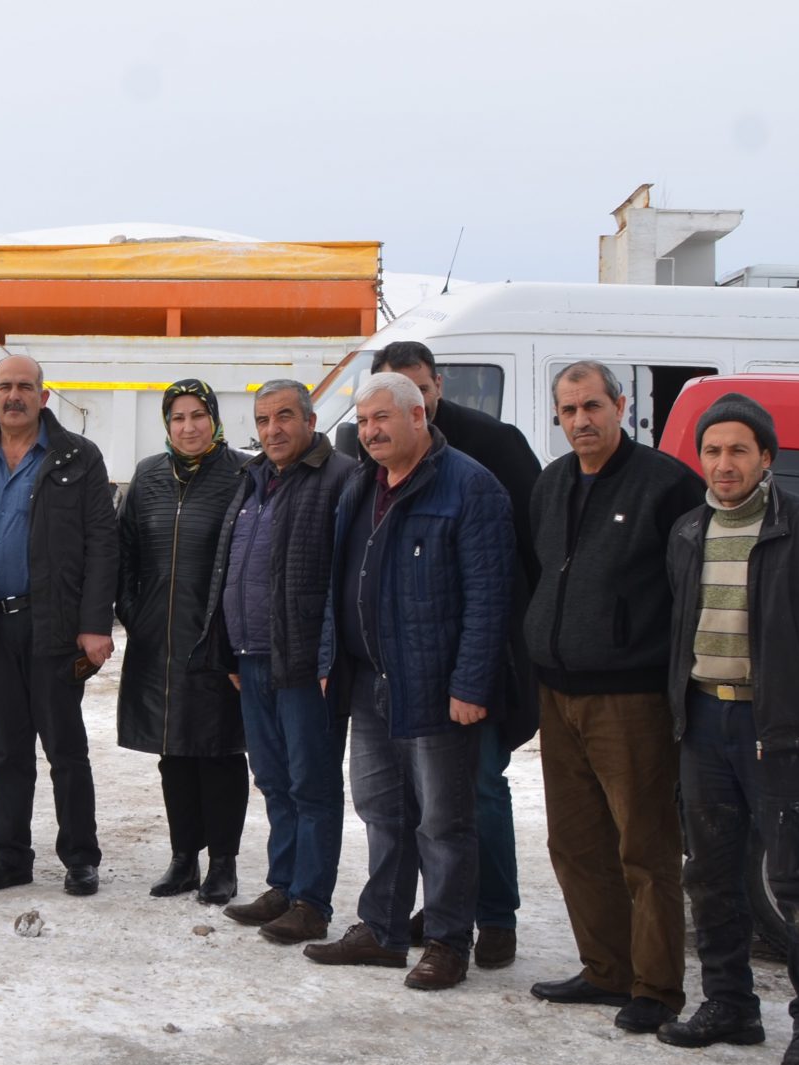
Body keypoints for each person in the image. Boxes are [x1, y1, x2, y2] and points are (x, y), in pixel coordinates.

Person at [659, 392, 799, 1065]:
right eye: (714, 451)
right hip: (704, 725)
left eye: (739, 451)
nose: (725, 464)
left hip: (780, 735)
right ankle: (730, 1005)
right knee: (711, 878)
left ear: (766, 458)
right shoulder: (689, 532)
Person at [307, 372, 516, 990]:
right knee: (381, 812)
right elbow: (334, 581)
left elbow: (489, 598)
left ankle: (449, 941)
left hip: (434, 688)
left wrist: (472, 685)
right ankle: (383, 929)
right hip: (368, 682)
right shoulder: (360, 487)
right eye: (363, 421)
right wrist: (329, 659)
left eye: (382, 419)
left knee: (443, 823)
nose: (369, 432)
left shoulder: (469, 488)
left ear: (419, 417)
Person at [524, 361, 705, 1034]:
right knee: (575, 842)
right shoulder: (552, 484)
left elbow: (689, 592)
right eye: (568, 410)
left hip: (631, 698)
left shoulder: (665, 485)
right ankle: (606, 969)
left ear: (621, 404)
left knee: (644, 845)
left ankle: (656, 987)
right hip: (559, 693)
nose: (581, 421)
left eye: (592, 406)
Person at [372, 340, 540, 969]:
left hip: (483, 653)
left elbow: (529, 552)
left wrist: (512, 649)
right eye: (389, 394)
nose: (404, 404)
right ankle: (446, 906)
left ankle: (496, 916)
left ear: (436, 386)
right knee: (416, 798)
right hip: (405, 661)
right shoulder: (370, 452)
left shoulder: (492, 446)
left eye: (417, 389)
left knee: (480, 789)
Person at [0, 355, 117, 896]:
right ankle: (10, 855)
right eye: (5, 387)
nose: (15, 396)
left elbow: (103, 544)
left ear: (43, 397)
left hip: (54, 625)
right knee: (8, 751)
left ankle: (80, 857)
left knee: (65, 749)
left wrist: (95, 623)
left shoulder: (78, 457)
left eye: (25, 387)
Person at [212, 380, 357, 945]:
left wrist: (327, 656)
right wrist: (227, 646)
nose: (273, 430)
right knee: (272, 778)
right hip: (251, 658)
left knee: (312, 784)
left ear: (311, 419)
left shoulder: (339, 478)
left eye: (285, 417)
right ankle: (283, 884)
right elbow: (232, 568)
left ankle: (311, 902)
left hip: (303, 663)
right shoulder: (251, 480)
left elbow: (342, 580)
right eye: (264, 419)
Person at [116, 381, 247, 906]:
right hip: (157, 641)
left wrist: (233, 629)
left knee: (217, 752)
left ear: (214, 418)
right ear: (166, 424)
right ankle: (183, 857)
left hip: (216, 639)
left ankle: (224, 863)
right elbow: (122, 551)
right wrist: (133, 613)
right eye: (177, 418)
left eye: (198, 415)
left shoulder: (241, 474)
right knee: (172, 752)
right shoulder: (148, 475)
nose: (188, 427)